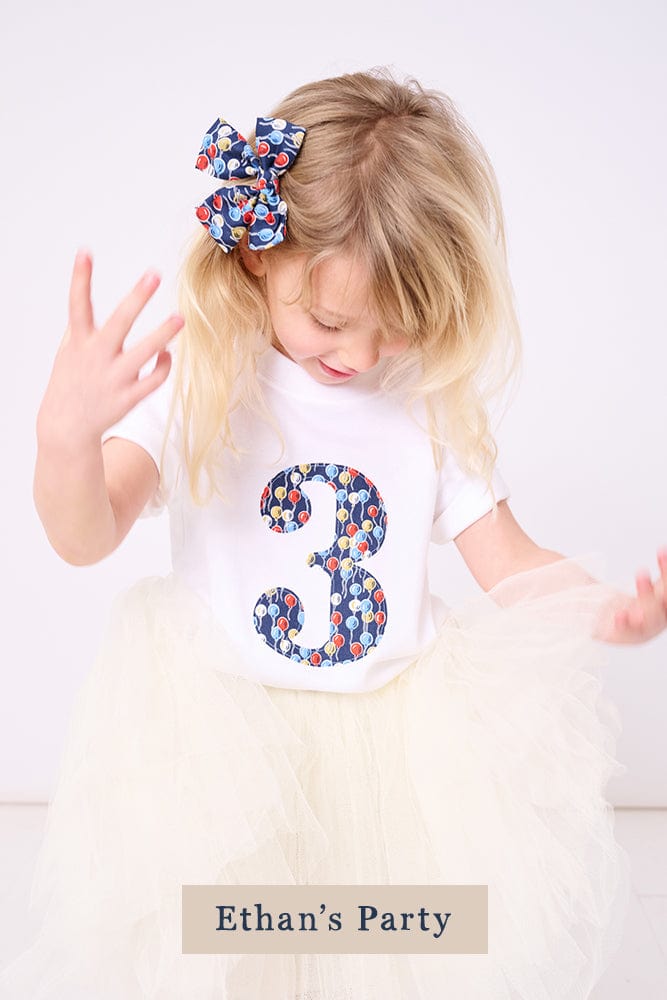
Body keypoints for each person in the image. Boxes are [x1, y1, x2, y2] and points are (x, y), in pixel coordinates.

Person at [3, 67, 666, 1000]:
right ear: (254, 257)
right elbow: (84, 533)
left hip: (396, 751)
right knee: (223, 954)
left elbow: (508, 565)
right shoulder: (200, 374)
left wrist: (605, 609)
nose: (358, 357)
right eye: (330, 322)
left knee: (393, 957)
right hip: (218, 739)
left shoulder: (426, 404)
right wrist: (64, 441)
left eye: (396, 330)